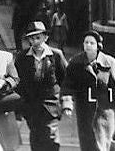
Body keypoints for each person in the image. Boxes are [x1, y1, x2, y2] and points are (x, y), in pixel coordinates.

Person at [62, 30, 115, 151]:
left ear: (98, 46)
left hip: (105, 113)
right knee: (88, 146)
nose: (88, 45)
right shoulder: (75, 63)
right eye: (86, 42)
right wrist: (67, 104)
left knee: (103, 146)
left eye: (92, 43)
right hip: (85, 114)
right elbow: (68, 86)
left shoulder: (109, 62)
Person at [15, 21, 72, 151]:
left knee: (51, 138)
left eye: (38, 37)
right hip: (31, 108)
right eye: (32, 38)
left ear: (45, 37)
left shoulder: (56, 55)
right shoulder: (22, 57)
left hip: (51, 106)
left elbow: (67, 81)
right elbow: (18, 83)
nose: (35, 42)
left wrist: (67, 104)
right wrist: (18, 108)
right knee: (36, 139)